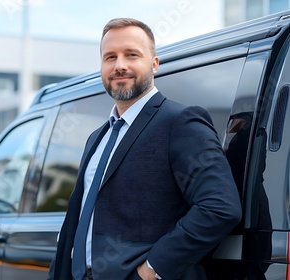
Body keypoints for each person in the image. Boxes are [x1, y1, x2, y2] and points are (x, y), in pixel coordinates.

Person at [47, 18, 242, 280]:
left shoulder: (180, 122)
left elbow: (219, 207)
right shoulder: (97, 137)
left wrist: (152, 270)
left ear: (154, 63)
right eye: (110, 57)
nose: (119, 66)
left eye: (131, 55)